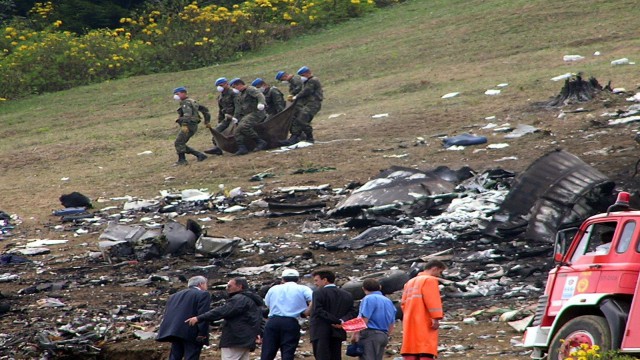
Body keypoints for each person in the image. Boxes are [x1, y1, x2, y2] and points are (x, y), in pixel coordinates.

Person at [185, 277, 264, 360]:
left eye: (229, 286)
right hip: (247, 340)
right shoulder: (252, 300)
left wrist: (199, 318)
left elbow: (221, 311)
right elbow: (259, 319)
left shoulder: (239, 299)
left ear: (239, 286)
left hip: (235, 339)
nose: (226, 288)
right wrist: (260, 333)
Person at [261, 268, 313, 360]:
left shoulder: (274, 289)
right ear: (298, 279)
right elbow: (314, 301)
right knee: (288, 351)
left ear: (283, 279)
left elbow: (267, 304)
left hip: (273, 321)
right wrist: (306, 313)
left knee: (267, 352)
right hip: (291, 322)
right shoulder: (303, 289)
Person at [400, 260, 447, 360]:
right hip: (424, 320)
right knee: (426, 347)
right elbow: (432, 300)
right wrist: (436, 318)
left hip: (409, 321)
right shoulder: (429, 280)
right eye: (440, 272)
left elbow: (403, 304)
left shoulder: (409, 283)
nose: (439, 275)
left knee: (411, 347)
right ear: (435, 269)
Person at [156, 276, 211, 360]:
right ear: (201, 284)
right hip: (192, 331)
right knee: (191, 356)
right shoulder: (203, 294)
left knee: (175, 356)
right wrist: (202, 333)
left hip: (174, 331)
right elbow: (203, 314)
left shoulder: (174, 296)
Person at [309, 269, 357, 360]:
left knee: (322, 356)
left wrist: (336, 321)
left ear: (325, 280)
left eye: (316, 280)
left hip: (320, 331)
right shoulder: (347, 294)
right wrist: (342, 321)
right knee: (336, 356)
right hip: (338, 332)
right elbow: (353, 312)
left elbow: (318, 311)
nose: (315, 283)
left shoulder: (318, 293)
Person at [350, 278, 396, 360]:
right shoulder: (388, 301)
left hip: (370, 334)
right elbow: (392, 322)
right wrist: (387, 335)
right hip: (383, 335)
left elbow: (364, 318)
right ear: (380, 287)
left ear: (363, 289)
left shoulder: (368, 298)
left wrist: (355, 333)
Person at [280, 66, 323, 145]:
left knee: (301, 119)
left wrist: (296, 96)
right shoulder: (307, 81)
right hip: (309, 103)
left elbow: (307, 91)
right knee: (299, 120)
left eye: (303, 75)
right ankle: (295, 137)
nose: (301, 77)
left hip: (314, 104)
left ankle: (309, 137)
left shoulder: (313, 80)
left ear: (308, 73)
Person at [228, 78, 268, 155]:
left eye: (234, 87)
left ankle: (260, 142)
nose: (234, 89)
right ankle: (242, 148)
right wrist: (236, 117)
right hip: (248, 114)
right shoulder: (240, 94)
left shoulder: (250, 89)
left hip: (257, 112)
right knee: (237, 130)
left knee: (243, 126)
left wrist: (261, 103)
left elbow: (260, 95)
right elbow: (239, 108)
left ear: (239, 85)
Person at [172, 86, 209, 165]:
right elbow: (205, 110)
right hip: (192, 125)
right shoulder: (192, 101)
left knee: (178, 142)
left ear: (183, 93)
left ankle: (182, 160)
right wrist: (207, 120)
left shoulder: (186, 102)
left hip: (188, 125)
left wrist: (184, 124)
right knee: (181, 142)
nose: (176, 96)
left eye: (177, 94)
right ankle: (200, 155)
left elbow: (187, 115)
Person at [204, 77, 238, 155]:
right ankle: (218, 148)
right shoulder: (220, 97)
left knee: (234, 132)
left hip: (235, 117)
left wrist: (236, 117)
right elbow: (221, 110)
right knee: (216, 131)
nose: (220, 87)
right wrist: (220, 121)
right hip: (227, 118)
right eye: (218, 86)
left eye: (221, 85)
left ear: (227, 84)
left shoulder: (233, 93)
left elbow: (238, 106)